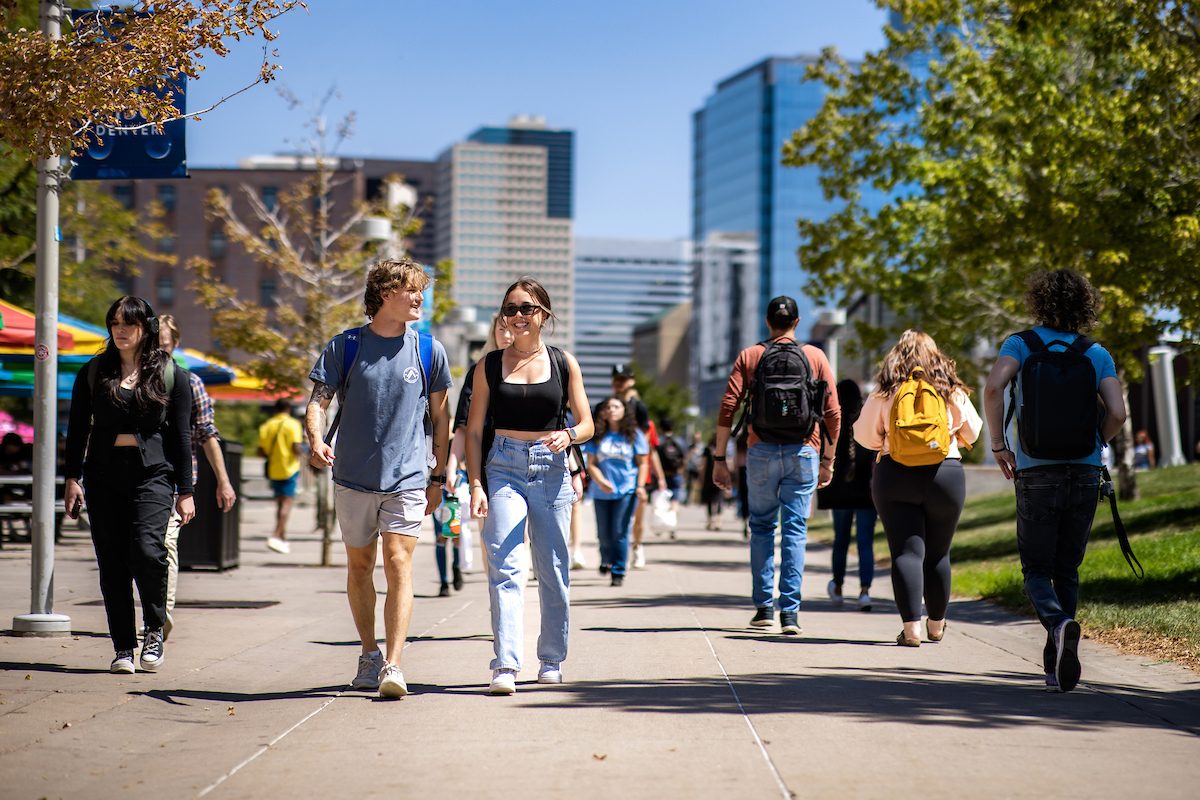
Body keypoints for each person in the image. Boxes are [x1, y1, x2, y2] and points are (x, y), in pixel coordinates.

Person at [307, 258, 452, 699]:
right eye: (410, 289)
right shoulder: (344, 346)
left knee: (398, 563)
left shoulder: (429, 350)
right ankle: (368, 653)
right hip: (351, 475)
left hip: (408, 476)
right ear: (385, 293)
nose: (418, 297)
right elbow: (319, 401)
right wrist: (314, 439)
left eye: (420, 290)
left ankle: (393, 663)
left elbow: (441, 417)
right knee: (359, 566)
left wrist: (439, 474)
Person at [984, 269, 1126, 693]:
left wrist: (998, 445)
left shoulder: (1021, 344)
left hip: (1035, 468)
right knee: (1067, 567)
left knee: (1035, 568)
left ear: (1039, 301)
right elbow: (1118, 413)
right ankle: (1055, 668)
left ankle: (1059, 623)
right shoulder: (1096, 352)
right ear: (1085, 304)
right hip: (1083, 471)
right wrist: (1096, 442)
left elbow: (993, 389)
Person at [466, 277, 592, 695]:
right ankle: (505, 664)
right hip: (502, 466)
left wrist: (569, 435)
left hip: (552, 469)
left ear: (543, 314)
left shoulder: (563, 362)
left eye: (525, 308)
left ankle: (551, 658)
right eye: (509, 309)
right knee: (505, 565)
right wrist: (476, 483)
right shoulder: (487, 365)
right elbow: (471, 430)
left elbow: (588, 423)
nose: (517, 316)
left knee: (553, 569)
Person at [63, 296, 193, 674]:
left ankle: (153, 630)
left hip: (153, 474)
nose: (120, 330)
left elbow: (182, 437)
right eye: (115, 322)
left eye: (129, 323)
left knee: (147, 549)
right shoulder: (93, 372)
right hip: (103, 474)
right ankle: (122, 646)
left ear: (145, 328)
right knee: (112, 561)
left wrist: (186, 492)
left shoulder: (171, 374)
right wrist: (72, 479)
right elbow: (76, 432)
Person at [713, 296, 840, 636]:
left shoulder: (750, 355)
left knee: (763, 528)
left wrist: (719, 459)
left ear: (767, 322)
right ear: (796, 323)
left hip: (761, 451)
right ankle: (791, 615)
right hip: (804, 451)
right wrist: (828, 459)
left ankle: (764, 609)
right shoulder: (814, 356)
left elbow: (728, 408)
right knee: (795, 530)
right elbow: (833, 413)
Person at [854, 330, 982, 648]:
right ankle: (936, 626)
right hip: (945, 474)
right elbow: (974, 431)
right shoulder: (948, 388)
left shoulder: (885, 390)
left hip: (895, 474)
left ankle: (911, 630)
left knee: (906, 552)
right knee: (938, 553)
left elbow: (864, 436)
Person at [157, 315, 237, 638]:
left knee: (166, 543)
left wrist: (224, 479)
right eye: (154, 343)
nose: (159, 349)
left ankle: (160, 617)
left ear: (175, 344)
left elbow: (207, 433)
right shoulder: (130, 379)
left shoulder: (189, 382)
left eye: (164, 344)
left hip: (177, 479)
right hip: (135, 476)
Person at [817, 379, 877, 612]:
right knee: (865, 542)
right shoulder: (868, 419)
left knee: (840, 540)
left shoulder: (831, 421)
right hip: (866, 493)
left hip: (839, 491)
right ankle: (864, 592)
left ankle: (838, 587)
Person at [601, 364, 664, 569]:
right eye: (616, 379)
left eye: (623, 379)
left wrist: (658, 476)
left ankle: (636, 545)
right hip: (610, 466)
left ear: (631, 380)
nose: (619, 382)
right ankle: (618, 552)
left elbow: (647, 445)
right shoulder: (606, 405)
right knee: (615, 521)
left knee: (636, 515)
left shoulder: (639, 406)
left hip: (635, 466)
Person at [585, 397, 649, 586]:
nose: (612, 410)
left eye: (616, 406)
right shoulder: (597, 435)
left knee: (620, 531)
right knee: (604, 533)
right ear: (603, 412)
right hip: (601, 491)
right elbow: (591, 464)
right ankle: (606, 559)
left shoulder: (634, 435)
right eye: (608, 407)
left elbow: (642, 463)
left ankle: (618, 571)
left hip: (626, 491)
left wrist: (640, 486)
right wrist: (601, 481)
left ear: (624, 411)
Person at [259, 398, 304, 554]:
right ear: (289, 409)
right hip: (290, 469)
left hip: (273, 469)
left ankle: (282, 538)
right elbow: (295, 447)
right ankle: (276, 534)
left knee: (279, 503)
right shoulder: (293, 424)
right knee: (287, 504)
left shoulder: (267, 425)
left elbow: (261, 451)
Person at [655, 417, 686, 538]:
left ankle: (662, 524)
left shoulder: (659, 441)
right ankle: (673, 526)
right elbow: (684, 458)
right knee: (675, 501)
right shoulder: (679, 441)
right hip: (676, 474)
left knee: (662, 500)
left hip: (662, 475)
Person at [685, 431, 705, 505]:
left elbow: (703, 458)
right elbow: (686, 458)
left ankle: (699, 500)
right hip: (691, 467)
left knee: (699, 484)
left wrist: (701, 466)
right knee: (689, 484)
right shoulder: (690, 446)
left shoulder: (702, 446)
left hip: (699, 468)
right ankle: (688, 499)